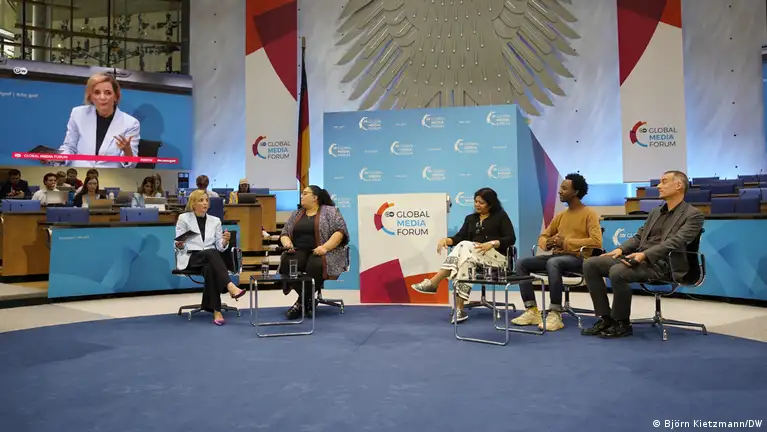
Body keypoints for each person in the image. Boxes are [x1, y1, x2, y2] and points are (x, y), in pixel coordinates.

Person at [581, 170, 704, 339]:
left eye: (664, 181)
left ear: (678, 185)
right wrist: (621, 250)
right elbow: (639, 236)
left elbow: (675, 242)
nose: (658, 186)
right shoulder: (655, 212)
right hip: (641, 259)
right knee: (591, 264)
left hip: (665, 264)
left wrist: (644, 255)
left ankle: (622, 323)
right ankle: (606, 318)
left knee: (618, 272)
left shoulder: (694, 215)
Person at [512, 173, 602, 331]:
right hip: (557, 256)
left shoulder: (589, 214)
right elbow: (543, 236)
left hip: (578, 259)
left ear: (575, 192)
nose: (560, 191)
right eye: (561, 187)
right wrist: (547, 243)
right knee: (521, 263)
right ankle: (532, 310)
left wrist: (565, 242)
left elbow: (596, 241)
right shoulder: (561, 216)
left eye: (564, 188)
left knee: (554, 262)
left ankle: (555, 313)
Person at [412, 187, 516, 323]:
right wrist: (446, 240)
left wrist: (491, 243)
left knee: (464, 245)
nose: (477, 205)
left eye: (481, 202)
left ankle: (434, 282)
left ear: (490, 204)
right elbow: (460, 237)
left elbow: (510, 238)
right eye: (476, 201)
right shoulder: (470, 219)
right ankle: (459, 310)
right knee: (465, 262)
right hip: (474, 258)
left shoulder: (500, 217)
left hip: (497, 260)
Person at [175, 190, 246, 326]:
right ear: (193, 204)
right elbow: (178, 244)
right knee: (211, 253)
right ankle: (230, 286)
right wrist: (180, 244)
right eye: (201, 200)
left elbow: (219, 247)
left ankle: (216, 311)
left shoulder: (215, 221)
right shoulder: (184, 218)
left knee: (209, 267)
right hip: (191, 257)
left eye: (207, 200)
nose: (205, 203)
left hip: (209, 260)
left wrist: (224, 241)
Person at [278, 185, 350, 319]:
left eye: (305, 193)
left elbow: (340, 232)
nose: (302, 196)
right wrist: (287, 243)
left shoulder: (331, 212)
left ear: (315, 198)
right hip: (299, 250)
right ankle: (308, 300)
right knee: (287, 262)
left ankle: (301, 303)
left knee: (316, 265)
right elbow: (285, 232)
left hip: (325, 251)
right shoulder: (297, 213)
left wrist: (325, 248)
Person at [57, 72, 140, 168]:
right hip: (79, 172)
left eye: (108, 93)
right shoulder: (78, 114)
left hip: (110, 175)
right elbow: (69, 148)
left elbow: (131, 165)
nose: (102, 97)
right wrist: (57, 158)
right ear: (91, 97)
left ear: (116, 96)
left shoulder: (131, 124)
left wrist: (127, 150)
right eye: (97, 93)